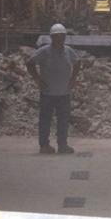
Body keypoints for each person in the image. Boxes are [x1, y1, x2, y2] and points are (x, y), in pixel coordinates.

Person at [26, 23, 81, 155]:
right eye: (57, 36)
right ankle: (44, 145)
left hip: (64, 93)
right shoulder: (44, 51)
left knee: (63, 120)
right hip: (48, 93)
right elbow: (30, 63)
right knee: (45, 119)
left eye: (62, 36)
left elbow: (78, 62)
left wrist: (73, 79)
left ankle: (62, 145)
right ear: (51, 37)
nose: (60, 39)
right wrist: (37, 79)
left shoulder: (68, 51)